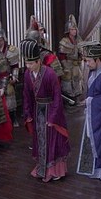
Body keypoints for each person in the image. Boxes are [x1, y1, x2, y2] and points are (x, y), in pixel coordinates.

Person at [21, 38, 71, 182]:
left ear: (38, 61)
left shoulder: (50, 74)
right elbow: (26, 95)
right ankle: (42, 168)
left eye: (31, 63)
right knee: (40, 140)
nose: (28, 66)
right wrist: (28, 113)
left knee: (53, 140)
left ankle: (55, 170)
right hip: (37, 110)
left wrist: (53, 117)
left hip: (50, 109)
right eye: (27, 63)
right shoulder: (27, 74)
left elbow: (57, 97)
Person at [76, 42, 101, 181]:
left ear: (97, 59)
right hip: (94, 112)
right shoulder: (92, 72)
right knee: (92, 138)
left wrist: (89, 101)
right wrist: (88, 102)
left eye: (88, 61)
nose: (87, 64)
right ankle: (93, 168)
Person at [0, 22, 19, 132]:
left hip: (8, 76)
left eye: (0, 40)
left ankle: (13, 117)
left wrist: (14, 77)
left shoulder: (11, 50)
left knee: (10, 95)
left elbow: (15, 66)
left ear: (4, 39)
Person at [58, 15, 84, 99]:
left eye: (75, 29)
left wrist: (80, 59)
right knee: (67, 82)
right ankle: (69, 99)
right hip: (68, 65)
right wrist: (65, 67)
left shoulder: (78, 40)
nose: (74, 31)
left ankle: (77, 98)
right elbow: (62, 56)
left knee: (77, 80)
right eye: (72, 29)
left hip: (76, 65)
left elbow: (81, 53)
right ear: (68, 30)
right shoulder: (64, 41)